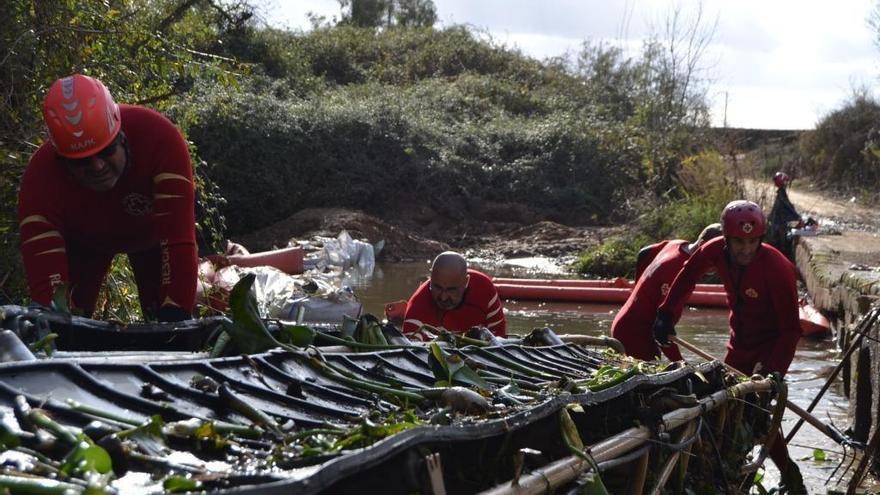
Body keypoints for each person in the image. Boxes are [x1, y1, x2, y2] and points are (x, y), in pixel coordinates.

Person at [652, 200, 806, 493]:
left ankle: (789, 474)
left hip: (770, 348)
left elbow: (790, 330)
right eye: (738, 242)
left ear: (761, 238)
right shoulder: (714, 251)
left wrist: (773, 371)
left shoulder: (778, 269)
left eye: (752, 241)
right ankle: (732, 472)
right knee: (726, 407)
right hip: (739, 344)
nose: (746, 249)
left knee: (757, 413)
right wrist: (665, 314)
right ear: (725, 238)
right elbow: (686, 278)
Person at [17, 74, 197, 322]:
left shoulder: (160, 139)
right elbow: (49, 294)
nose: (98, 166)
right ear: (61, 162)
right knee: (63, 324)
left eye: (106, 150)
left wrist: (176, 318)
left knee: (169, 321)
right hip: (84, 243)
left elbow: (178, 239)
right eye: (81, 162)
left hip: (153, 238)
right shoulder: (40, 179)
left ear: (121, 135)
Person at [610, 223, 722, 362]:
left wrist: (639, 291)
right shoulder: (680, 275)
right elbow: (663, 331)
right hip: (635, 333)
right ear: (703, 245)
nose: (720, 263)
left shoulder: (677, 244)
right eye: (716, 256)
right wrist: (681, 364)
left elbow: (645, 252)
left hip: (625, 322)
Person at [402, 252, 507, 337]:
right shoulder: (417, 308)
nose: (443, 297)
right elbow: (413, 352)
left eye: (452, 290)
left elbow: (499, 337)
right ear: (431, 277)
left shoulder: (484, 289)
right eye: (437, 287)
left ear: (466, 281)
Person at [767, 171, 801, 256]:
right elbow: (789, 208)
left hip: (776, 224)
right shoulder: (782, 195)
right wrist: (798, 217)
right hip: (779, 226)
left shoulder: (780, 194)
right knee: (783, 246)